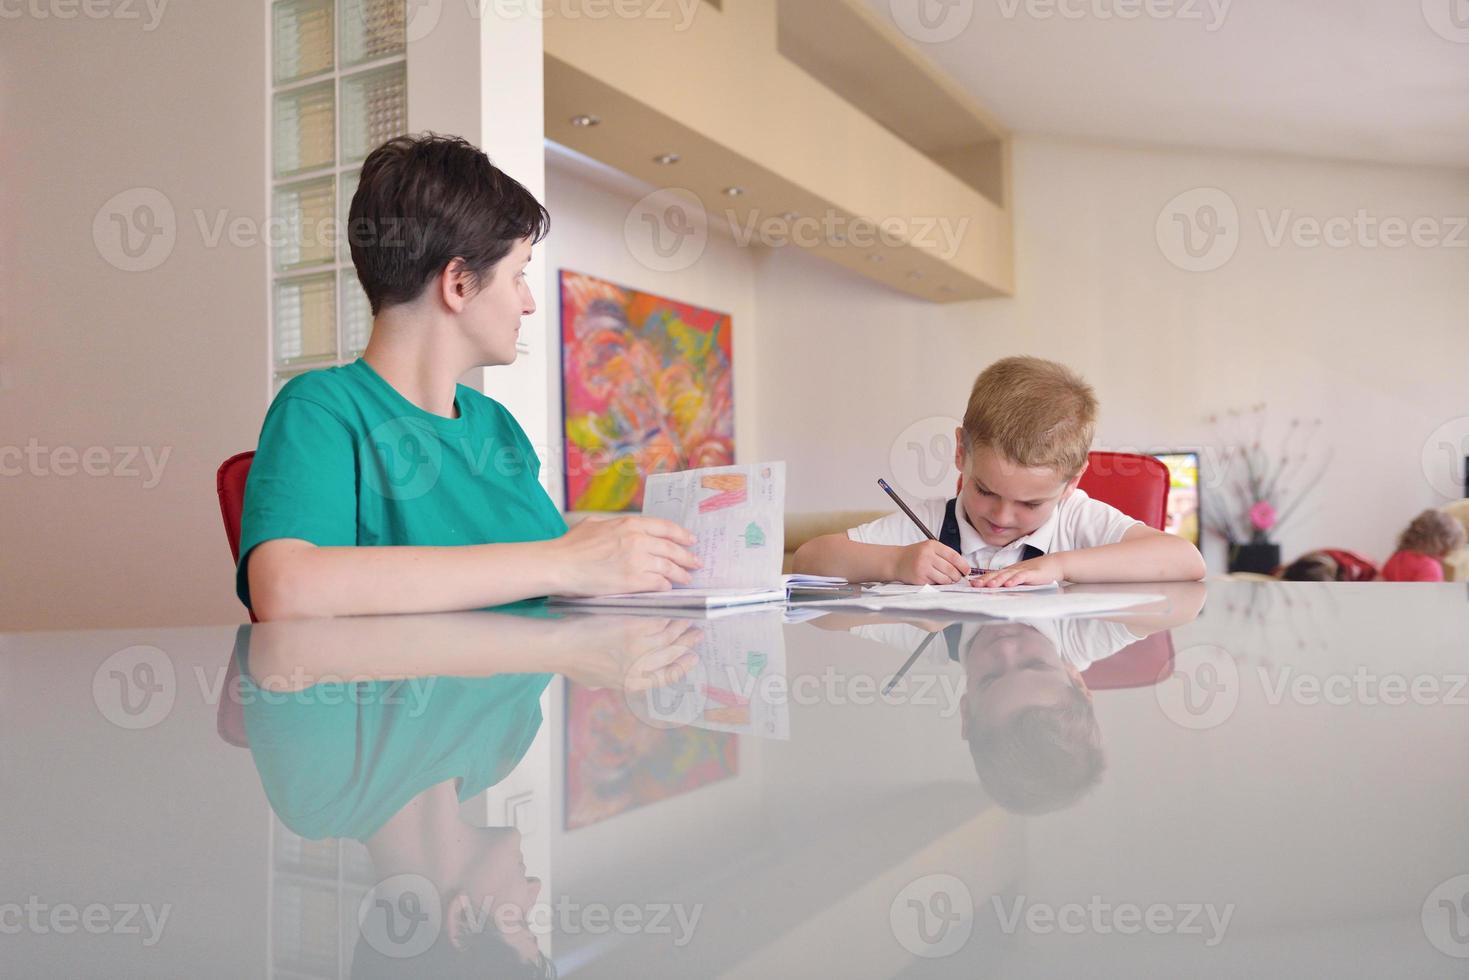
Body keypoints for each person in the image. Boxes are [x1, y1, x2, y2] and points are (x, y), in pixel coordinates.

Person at [238, 134, 700, 621]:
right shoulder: (321, 410)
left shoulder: (497, 427)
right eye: (518, 274)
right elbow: (286, 590)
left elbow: (546, 581)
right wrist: (562, 559)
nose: (528, 302)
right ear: (459, 283)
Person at [792, 357, 1206, 586]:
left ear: (1072, 482)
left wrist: (1060, 566)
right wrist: (895, 563)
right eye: (986, 491)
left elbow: (1186, 560)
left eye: (1029, 503)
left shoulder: (1077, 519)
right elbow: (809, 559)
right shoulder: (930, 524)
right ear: (960, 453)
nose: (1002, 517)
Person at [1381, 509, 1466, 582]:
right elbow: (1430, 598)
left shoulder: (1397, 556)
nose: (1443, 558)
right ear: (1441, 548)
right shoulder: (1430, 567)